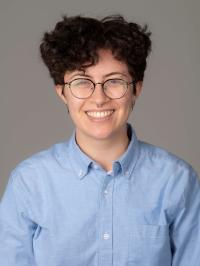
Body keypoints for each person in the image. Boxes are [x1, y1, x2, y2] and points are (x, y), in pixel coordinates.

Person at [0, 14, 199, 266]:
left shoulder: (176, 181)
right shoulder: (29, 183)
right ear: (62, 93)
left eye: (114, 81)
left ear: (136, 89)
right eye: (82, 82)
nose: (99, 99)